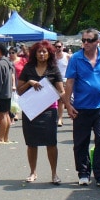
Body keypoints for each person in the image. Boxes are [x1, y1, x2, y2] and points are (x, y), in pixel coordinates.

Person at [64, 28, 100, 189]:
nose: (85, 43)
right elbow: (70, 82)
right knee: (81, 142)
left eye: (89, 40)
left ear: (97, 42)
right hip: (81, 107)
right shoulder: (75, 58)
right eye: (83, 40)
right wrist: (68, 105)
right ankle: (83, 173)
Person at [16, 40, 66, 185]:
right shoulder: (28, 68)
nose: (42, 54)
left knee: (51, 143)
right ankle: (32, 172)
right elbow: (19, 91)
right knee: (31, 143)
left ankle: (54, 174)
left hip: (49, 111)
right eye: (39, 51)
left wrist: (59, 95)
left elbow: (61, 91)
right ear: (35, 53)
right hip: (31, 110)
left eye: (44, 52)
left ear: (49, 53)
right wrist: (29, 82)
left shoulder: (54, 69)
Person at [54, 41, 70, 127]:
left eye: (59, 46)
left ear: (62, 47)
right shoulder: (52, 57)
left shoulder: (67, 56)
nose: (57, 48)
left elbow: (72, 68)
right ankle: (55, 117)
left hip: (64, 80)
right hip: (54, 80)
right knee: (54, 100)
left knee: (61, 100)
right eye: (56, 47)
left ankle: (60, 118)